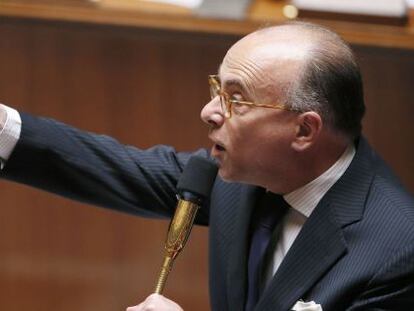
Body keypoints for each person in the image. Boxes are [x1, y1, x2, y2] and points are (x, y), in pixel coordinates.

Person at [1, 21, 414, 311]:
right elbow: (116, 167)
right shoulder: (238, 174)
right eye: (217, 88)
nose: (208, 112)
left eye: (236, 99)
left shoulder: (397, 256)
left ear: (304, 131)